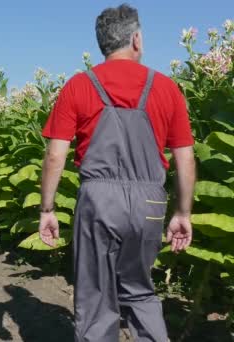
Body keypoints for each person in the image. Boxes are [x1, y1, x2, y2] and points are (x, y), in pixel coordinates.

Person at [38, 4, 196, 341]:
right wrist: (183, 213)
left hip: (98, 199)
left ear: (102, 45)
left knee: (95, 296)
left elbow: (55, 156)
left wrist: (47, 209)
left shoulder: (79, 86)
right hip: (149, 204)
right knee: (140, 290)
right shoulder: (166, 88)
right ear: (136, 40)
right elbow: (185, 158)